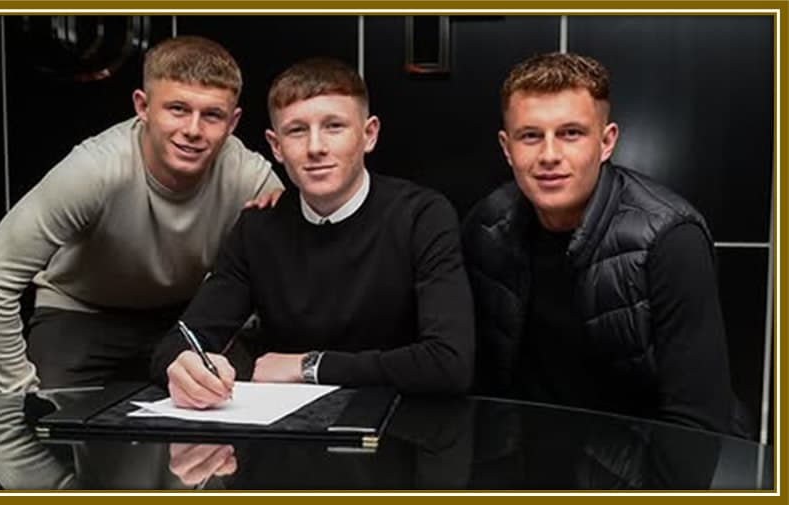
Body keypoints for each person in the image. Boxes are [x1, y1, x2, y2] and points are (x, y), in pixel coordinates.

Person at [0, 36, 284, 393]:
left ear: (233, 122)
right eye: (177, 109)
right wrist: (19, 397)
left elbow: (288, 277)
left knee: (242, 403)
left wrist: (284, 215)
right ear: (142, 107)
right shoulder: (95, 169)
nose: (193, 130)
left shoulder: (251, 177)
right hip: (83, 311)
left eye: (211, 115)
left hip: (184, 319)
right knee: (50, 426)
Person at [150, 57, 474, 408]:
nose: (315, 147)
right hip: (290, 434)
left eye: (334, 126)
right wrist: (182, 367)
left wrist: (309, 366)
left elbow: (449, 363)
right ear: (276, 146)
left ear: (369, 135)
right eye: (297, 130)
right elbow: (181, 340)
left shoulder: (422, 216)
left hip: (400, 425)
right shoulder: (258, 227)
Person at [461, 52, 746, 436]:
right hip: (531, 462)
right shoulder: (487, 224)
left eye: (571, 133)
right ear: (506, 147)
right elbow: (481, 380)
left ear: (607, 141)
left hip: (641, 471)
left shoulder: (670, 238)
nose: (549, 155)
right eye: (530, 136)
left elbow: (695, 424)